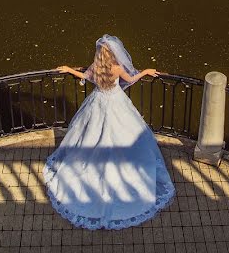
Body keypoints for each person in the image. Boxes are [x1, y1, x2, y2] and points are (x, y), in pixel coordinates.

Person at [42, 34, 175, 229]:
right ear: (113, 54)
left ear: (99, 55)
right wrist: (146, 71)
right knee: (125, 134)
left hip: (98, 103)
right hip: (116, 104)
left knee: (91, 135)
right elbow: (131, 79)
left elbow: (84, 76)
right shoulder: (117, 69)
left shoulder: (96, 68)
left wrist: (68, 69)